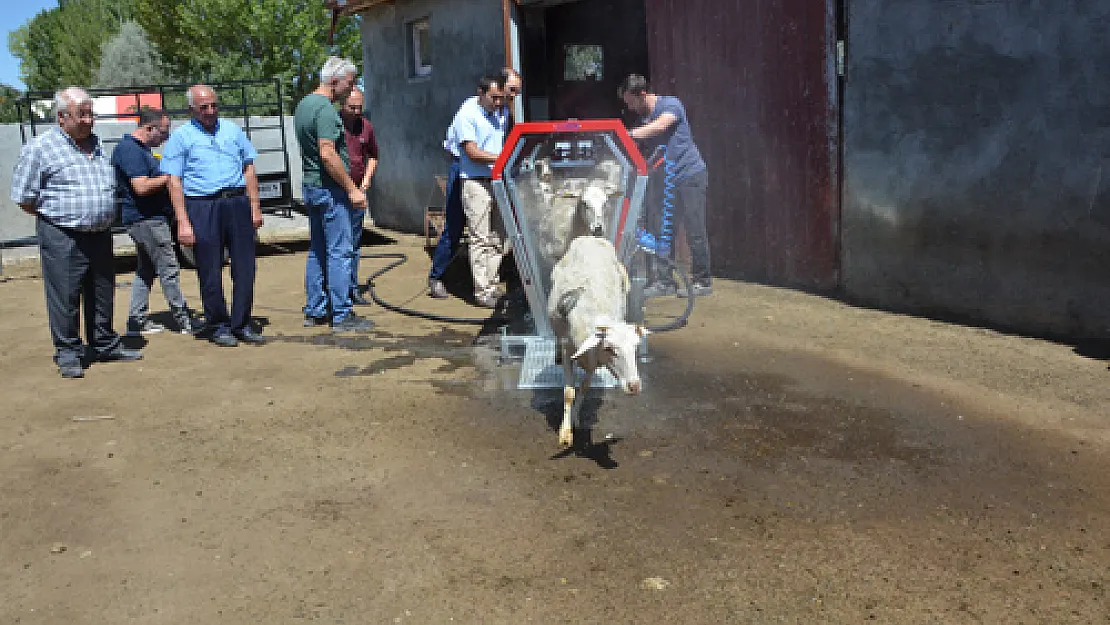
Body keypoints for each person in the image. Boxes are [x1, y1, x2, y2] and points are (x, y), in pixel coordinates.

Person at [10, 87, 143, 378]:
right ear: (61, 118)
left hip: (99, 233)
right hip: (62, 235)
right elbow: (23, 197)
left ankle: (104, 343)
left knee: (102, 292)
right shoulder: (40, 148)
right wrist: (60, 219)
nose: (88, 120)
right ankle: (69, 352)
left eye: (90, 113)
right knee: (65, 296)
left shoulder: (98, 146)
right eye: (81, 115)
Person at [161, 84, 266, 347]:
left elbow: (249, 169)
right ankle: (218, 324)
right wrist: (183, 221)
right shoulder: (181, 138)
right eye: (203, 107)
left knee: (245, 266)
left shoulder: (232, 131)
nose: (210, 111)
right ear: (191, 109)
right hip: (202, 205)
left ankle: (241, 322)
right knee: (209, 268)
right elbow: (174, 181)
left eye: (214, 105)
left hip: (236, 203)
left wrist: (254, 206)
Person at [295, 56, 375, 332]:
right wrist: (351, 189)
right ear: (334, 81)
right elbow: (328, 153)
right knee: (340, 251)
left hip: (312, 187)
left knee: (318, 250)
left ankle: (315, 310)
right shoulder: (327, 111)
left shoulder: (304, 105)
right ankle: (342, 314)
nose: (350, 88)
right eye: (349, 83)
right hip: (330, 190)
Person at [427, 68, 520, 301]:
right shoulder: (468, 112)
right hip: (466, 169)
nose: (508, 99)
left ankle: (489, 283)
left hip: (493, 173)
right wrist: (503, 158)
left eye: (510, 95)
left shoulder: (502, 111)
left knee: (498, 233)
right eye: (509, 92)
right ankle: (439, 277)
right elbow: (471, 151)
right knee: (458, 227)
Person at [619, 73, 712, 297]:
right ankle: (665, 281)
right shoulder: (642, 122)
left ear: (642, 95)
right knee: (662, 230)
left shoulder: (671, 105)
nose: (630, 108)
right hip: (665, 181)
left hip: (690, 176)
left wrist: (625, 135)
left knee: (694, 229)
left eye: (631, 102)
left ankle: (702, 282)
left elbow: (661, 126)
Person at [112, 107, 194, 336]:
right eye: (164, 133)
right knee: (169, 269)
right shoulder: (131, 151)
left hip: (146, 219)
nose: (166, 138)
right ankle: (184, 320)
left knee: (145, 271)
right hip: (147, 220)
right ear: (149, 128)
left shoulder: (139, 150)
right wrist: (169, 176)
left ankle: (136, 322)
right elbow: (141, 187)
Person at [340, 87, 379, 306]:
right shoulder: (334, 125)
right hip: (338, 193)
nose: (356, 111)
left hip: (358, 192)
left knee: (354, 244)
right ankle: (337, 289)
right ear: (342, 105)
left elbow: (373, 156)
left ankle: (352, 289)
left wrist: (366, 179)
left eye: (359, 107)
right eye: (351, 107)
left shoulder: (366, 127)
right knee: (339, 245)